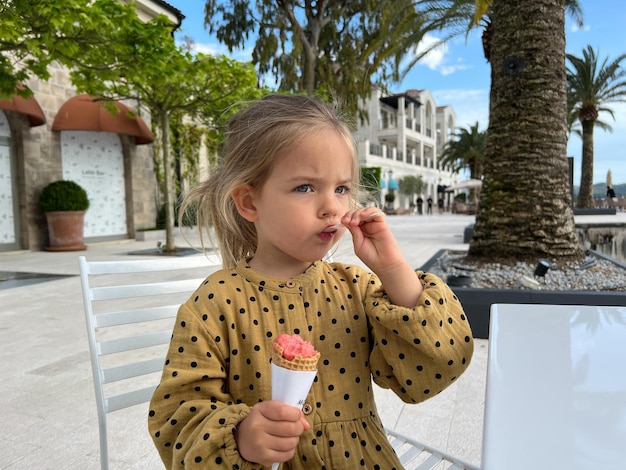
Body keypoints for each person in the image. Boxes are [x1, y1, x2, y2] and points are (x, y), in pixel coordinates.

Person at [148, 94, 474, 469]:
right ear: (250, 203)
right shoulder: (215, 304)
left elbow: (437, 365)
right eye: (305, 187)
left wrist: (394, 270)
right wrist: (240, 438)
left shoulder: (357, 287)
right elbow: (175, 416)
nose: (332, 207)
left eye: (341, 189)